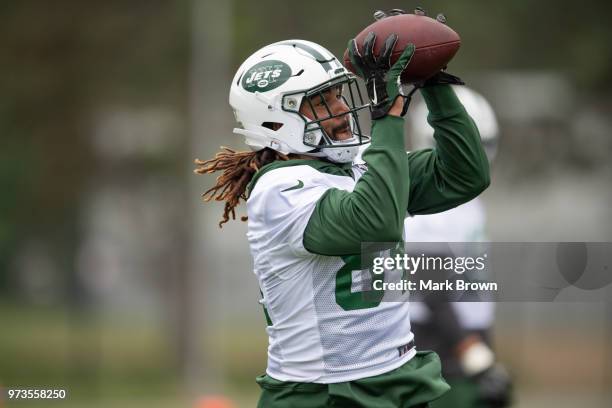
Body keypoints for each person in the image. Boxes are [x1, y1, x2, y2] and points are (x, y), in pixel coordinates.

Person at [195, 16, 490, 407]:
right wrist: (388, 121)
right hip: (323, 394)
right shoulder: (277, 189)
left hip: (395, 378)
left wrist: (432, 83)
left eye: (337, 95)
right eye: (321, 102)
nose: (340, 109)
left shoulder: (360, 166)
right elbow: (374, 223)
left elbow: (465, 174)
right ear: (275, 117)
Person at [405, 86, 512, 408]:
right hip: (439, 342)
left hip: (463, 336)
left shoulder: (467, 202)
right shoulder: (433, 203)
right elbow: (428, 281)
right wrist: (470, 350)